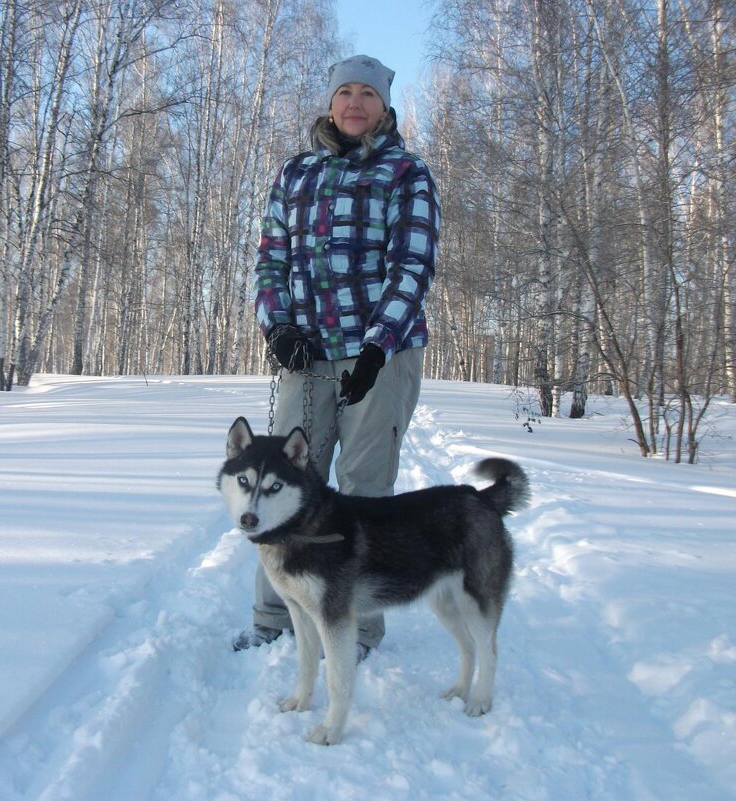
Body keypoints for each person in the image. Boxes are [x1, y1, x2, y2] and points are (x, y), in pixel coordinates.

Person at [234, 54, 441, 655]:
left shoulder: (407, 172)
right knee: (284, 484)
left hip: (381, 355)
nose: (355, 103)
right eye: (344, 92)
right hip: (305, 355)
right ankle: (273, 620)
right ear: (330, 102)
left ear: (384, 107)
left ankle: (354, 631)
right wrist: (277, 327)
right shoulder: (294, 173)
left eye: (367, 95)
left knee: (364, 487)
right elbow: (271, 260)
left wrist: (378, 346)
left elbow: (413, 264)